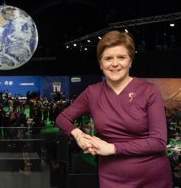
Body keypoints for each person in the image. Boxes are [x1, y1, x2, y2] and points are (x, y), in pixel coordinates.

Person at [56, 30, 172, 187]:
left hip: (153, 178)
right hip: (112, 178)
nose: (115, 63)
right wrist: (79, 135)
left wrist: (113, 148)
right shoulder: (93, 92)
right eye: (108, 58)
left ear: (130, 61)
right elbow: (62, 118)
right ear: (100, 63)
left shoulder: (149, 91)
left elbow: (158, 142)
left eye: (122, 57)